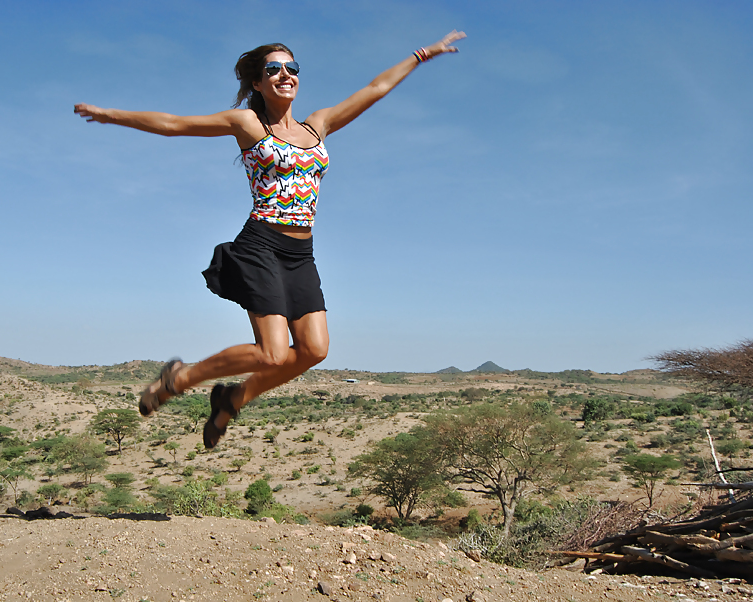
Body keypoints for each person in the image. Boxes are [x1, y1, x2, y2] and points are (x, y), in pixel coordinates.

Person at [74, 29, 466, 449]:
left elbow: (376, 88)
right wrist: (112, 114)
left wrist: (422, 54)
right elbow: (173, 125)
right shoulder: (247, 123)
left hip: (301, 253)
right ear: (258, 83)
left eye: (291, 68)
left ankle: (233, 397)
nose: (285, 75)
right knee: (273, 353)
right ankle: (179, 378)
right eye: (273, 69)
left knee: (314, 351)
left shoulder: (318, 126)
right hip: (261, 243)